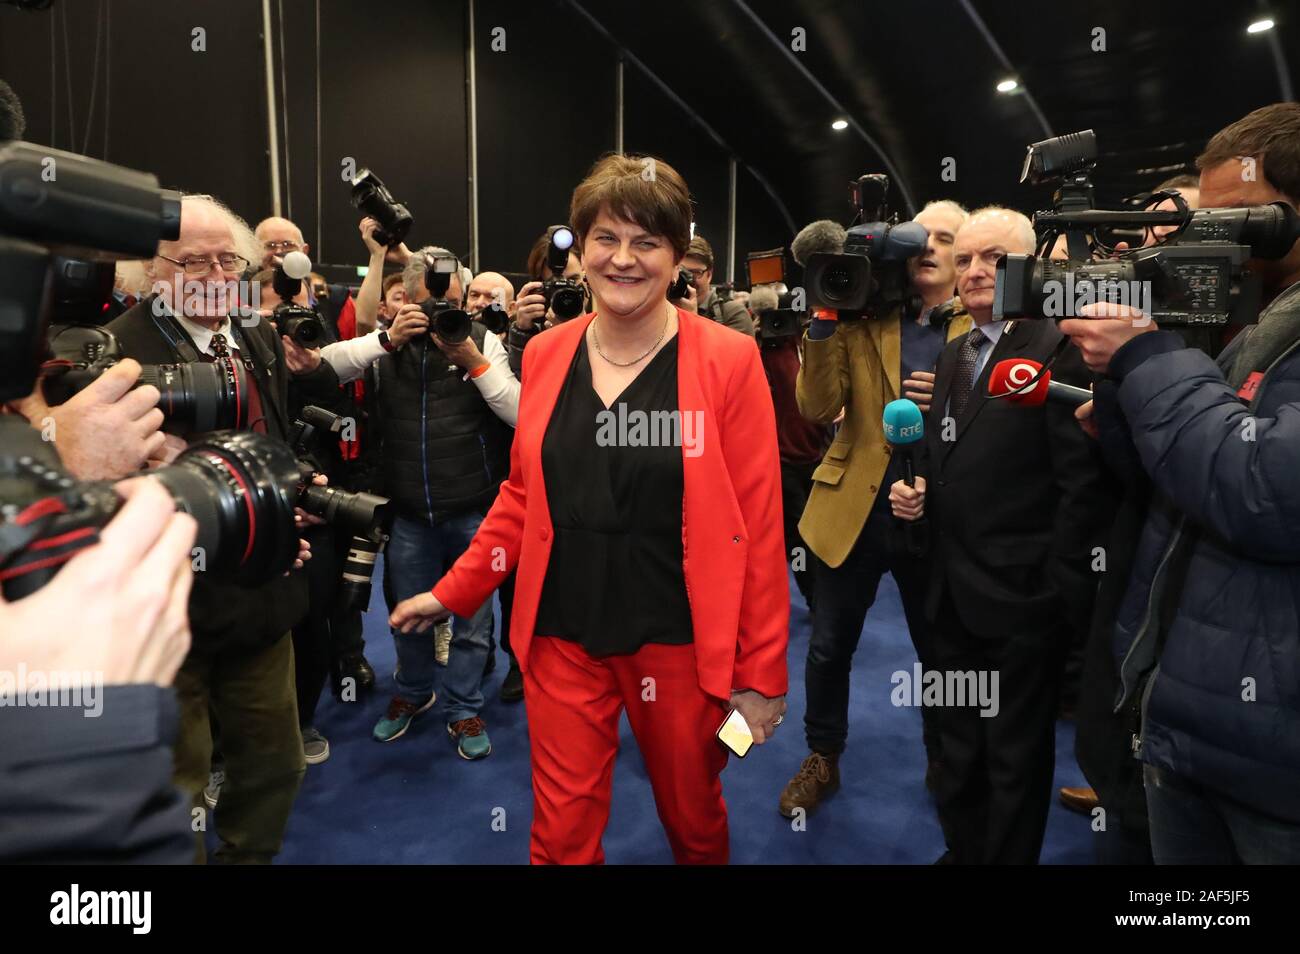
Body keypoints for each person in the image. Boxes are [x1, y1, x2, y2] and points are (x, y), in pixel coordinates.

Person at [390, 153, 789, 864]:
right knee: (560, 835)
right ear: (579, 250)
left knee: (692, 817)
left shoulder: (729, 360)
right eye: (606, 238)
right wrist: (454, 591)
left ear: (678, 257)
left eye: (647, 242)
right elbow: (521, 497)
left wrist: (759, 675)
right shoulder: (544, 354)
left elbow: (756, 526)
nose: (624, 259)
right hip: (560, 632)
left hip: (678, 637)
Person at [1059, 102, 1300, 863]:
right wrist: (1119, 391)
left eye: (1240, 219)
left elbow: (1262, 493)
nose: (1209, 238)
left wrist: (1146, 358)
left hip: (1273, 762)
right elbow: (1172, 479)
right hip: (1185, 716)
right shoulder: (1252, 314)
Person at [890, 206, 1112, 865]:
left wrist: (1056, 598)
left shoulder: (1061, 346)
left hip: (1023, 606)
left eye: (995, 258)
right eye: (965, 260)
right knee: (956, 746)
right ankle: (963, 853)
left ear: (1033, 267)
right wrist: (918, 490)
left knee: (1013, 755)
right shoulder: (957, 350)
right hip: (947, 593)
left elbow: (1081, 488)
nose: (976, 271)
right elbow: (945, 455)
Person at [106, 194, 315, 863]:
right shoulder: (113, 352)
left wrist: (289, 500)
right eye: (193, 261)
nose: (215, 274)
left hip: (261, 595)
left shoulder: (255, 332)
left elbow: (272, 439)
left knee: (277, 764)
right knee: (181, 784)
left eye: (228, 259)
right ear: (150, 272)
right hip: (166, 606)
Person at [778, 200, 972, 818]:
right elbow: (816, 406)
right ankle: (822, 755)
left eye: (946, 239)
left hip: (937, 517)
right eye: (925, 236)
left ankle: (944, 754)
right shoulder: (863, 318)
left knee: (939, 651)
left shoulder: (982, 327)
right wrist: (826, 320)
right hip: (851, 511)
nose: (930, 248)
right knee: (830, 646)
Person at [369, 248, 516, 759]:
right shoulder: (384, 348)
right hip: (409, 510)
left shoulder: (483, 341)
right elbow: (325, 368)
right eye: (433, 305)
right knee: (407, 615)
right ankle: (413, 692)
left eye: (454, 304)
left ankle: (463, 707)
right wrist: (388, 340)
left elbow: (519, 412)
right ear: (406, 301)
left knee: (473, 621)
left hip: (473, 506)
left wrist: (472, 360)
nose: (445, 316)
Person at [683, 235, 754, 335]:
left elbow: (734, 351)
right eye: (681, 272)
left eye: (695, 273)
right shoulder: (661, 309)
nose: (687, 280)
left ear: (709, 275)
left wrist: (690, 319)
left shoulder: (733, 314)